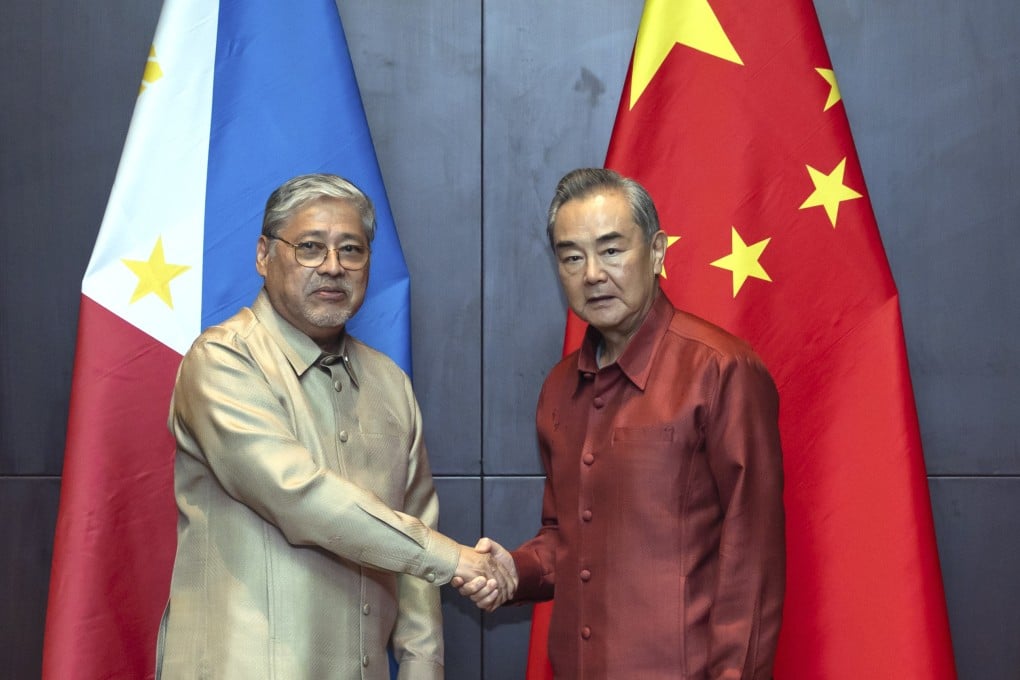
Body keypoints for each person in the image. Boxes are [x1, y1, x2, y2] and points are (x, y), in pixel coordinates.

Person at [156, 173, 509, 679]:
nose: (332, 266)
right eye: (309, 247)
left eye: (351, 250)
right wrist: (454, 559)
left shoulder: (390, 383)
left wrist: (421, 668)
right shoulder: (223, 361)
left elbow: (416, 562)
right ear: (263, 255)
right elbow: (298, 495)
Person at [458, 168, 785, 679]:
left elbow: (753, 562)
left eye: (611, 250)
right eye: (572, 257)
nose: (592, 273)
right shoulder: (559, 387)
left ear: (656, 252)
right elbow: (566, 536)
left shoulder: (720, 370)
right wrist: (514, 571)